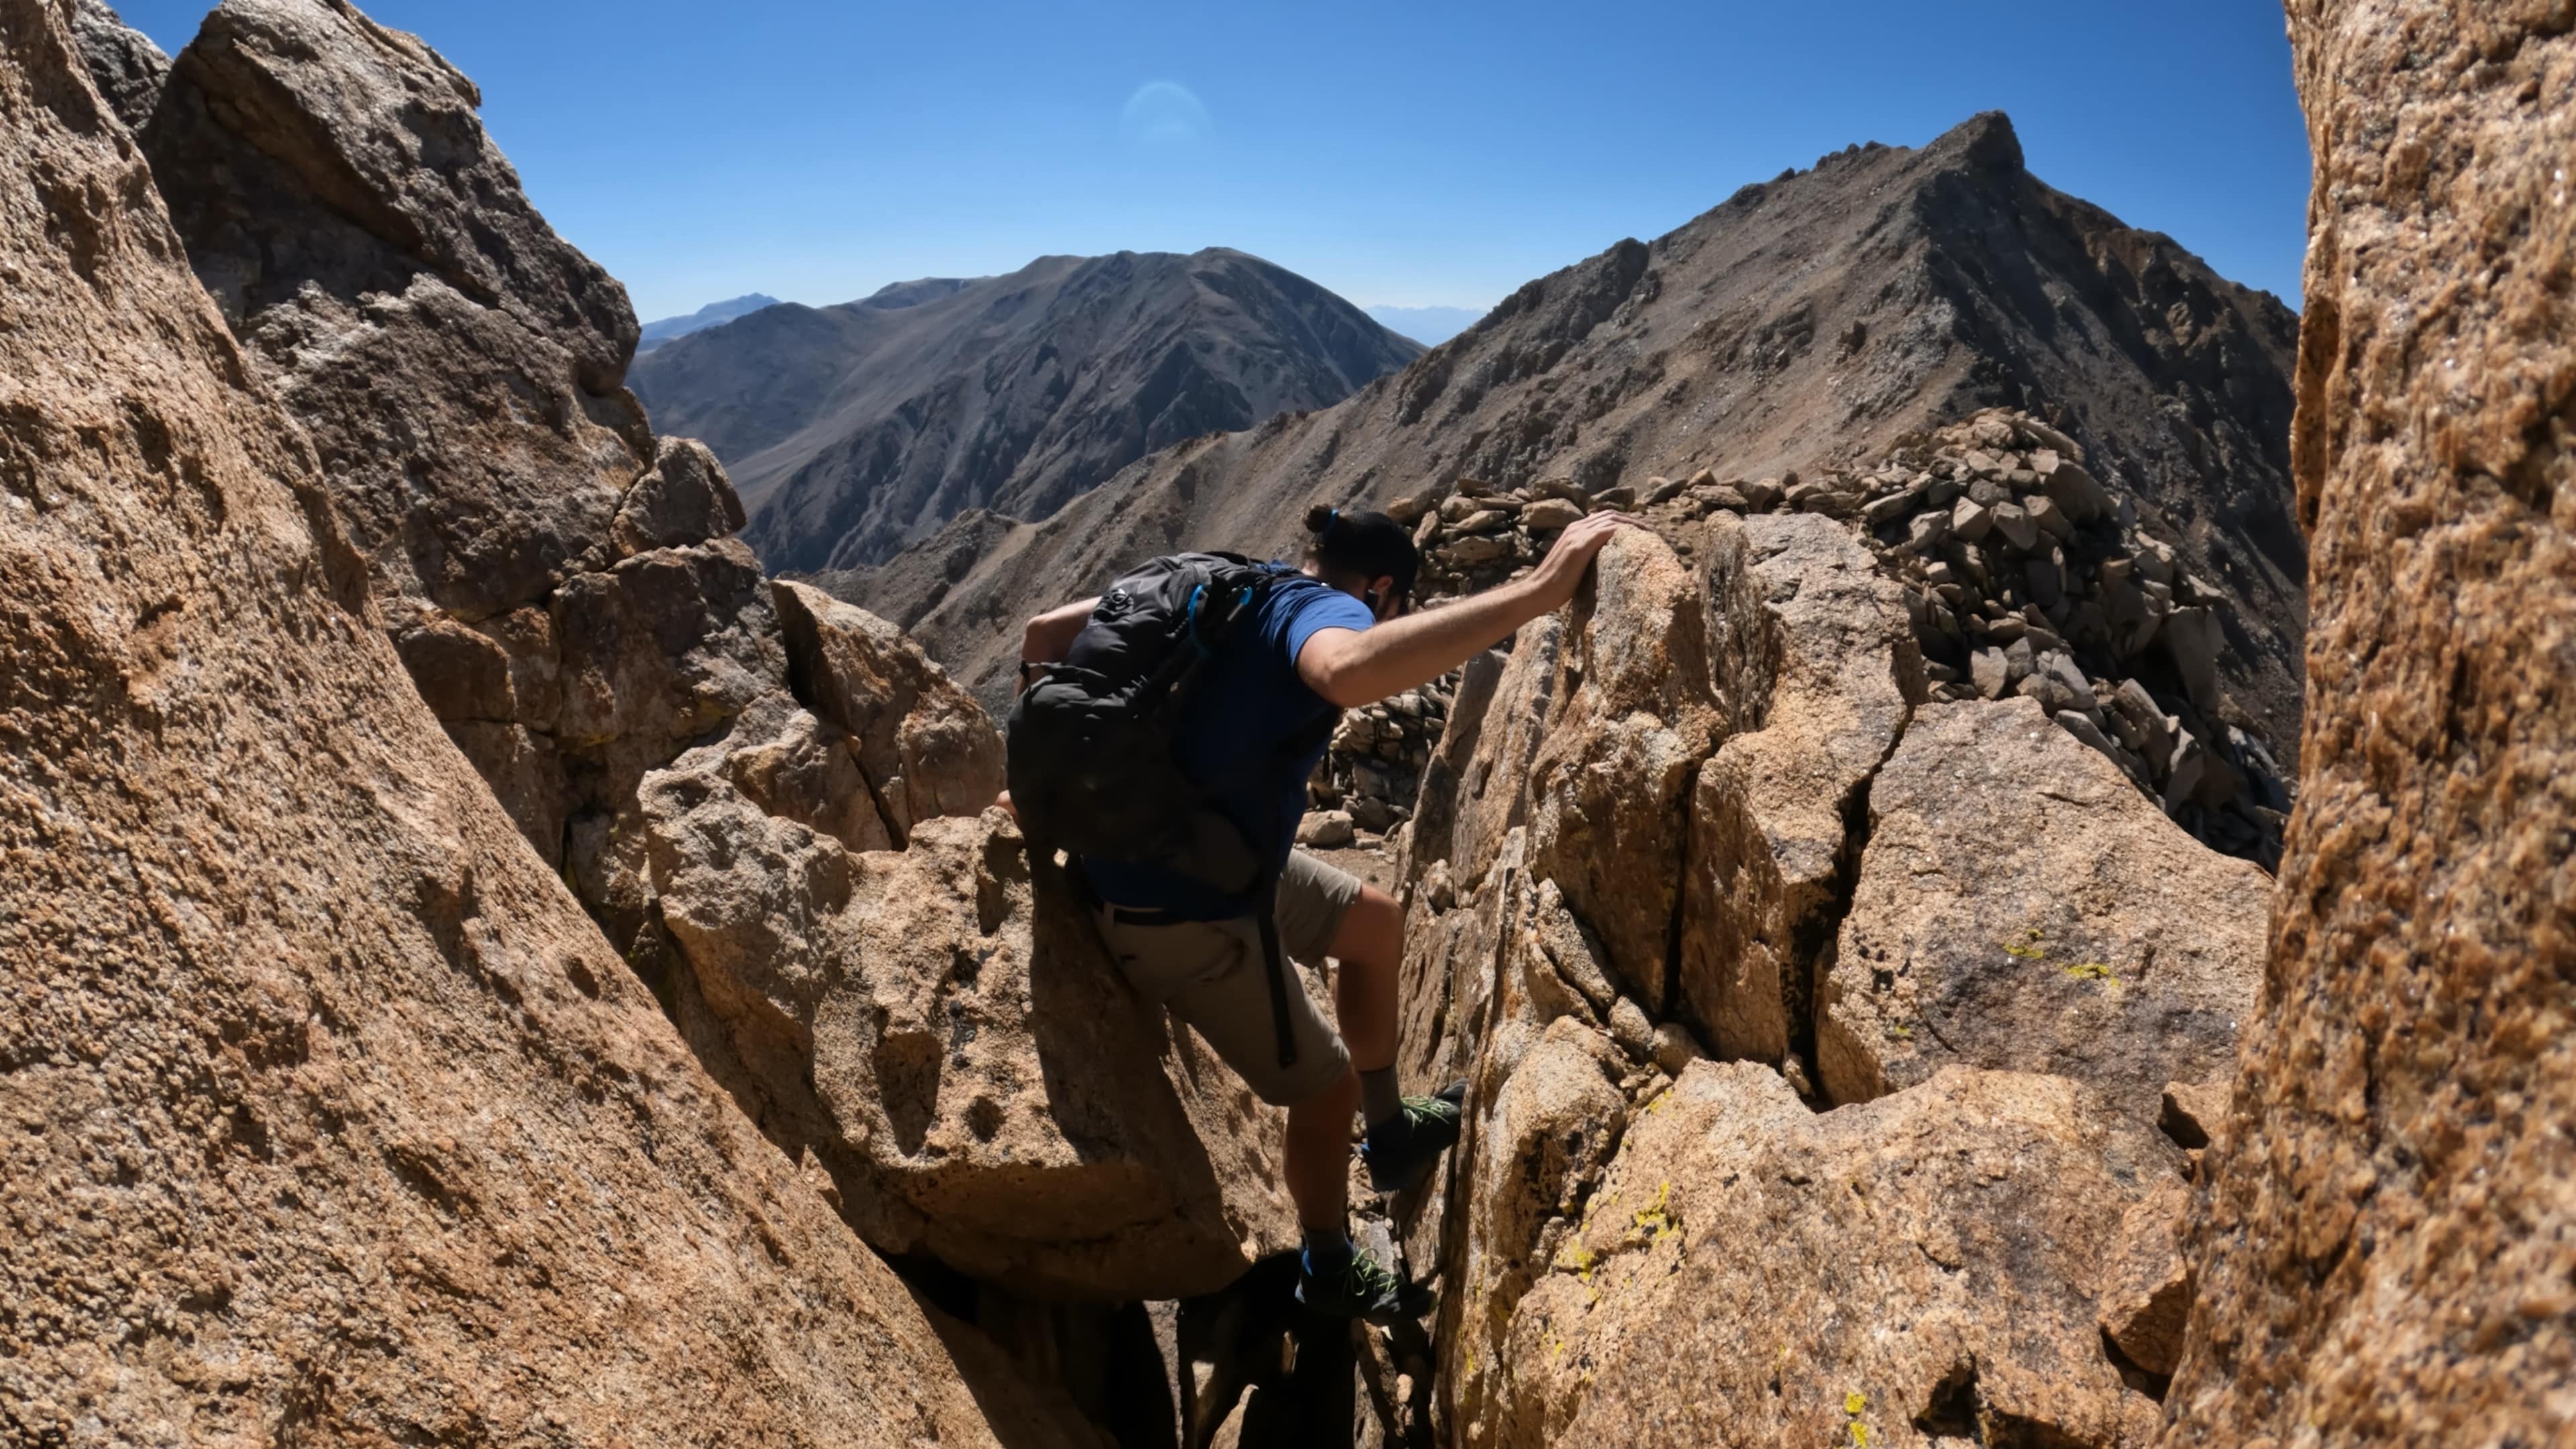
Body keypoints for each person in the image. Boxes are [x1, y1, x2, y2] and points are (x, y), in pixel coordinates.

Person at [1015, 500, 1640, 1320]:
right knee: (1324, 1089)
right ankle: (1329, 1265)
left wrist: (1069, 802)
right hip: (1178, 908)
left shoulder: (1217, 579)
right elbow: (1345, 671)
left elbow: (1041, 637)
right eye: (1397, 607)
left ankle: (1390, 1137)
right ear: (1381, 589)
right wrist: (1536, 592)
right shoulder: (1325, 611)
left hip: (1192, 851)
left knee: (1374, 922)